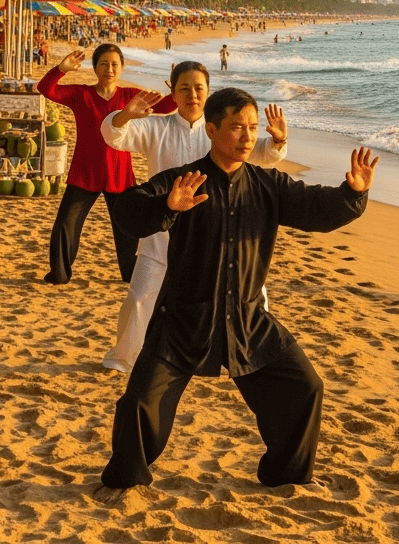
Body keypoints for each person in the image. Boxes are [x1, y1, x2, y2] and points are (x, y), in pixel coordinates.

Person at [99, 87, 377, 492]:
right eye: (236, 128)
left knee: (305, 388)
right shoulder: (185, 180)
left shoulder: (269, 185)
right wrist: (167, 209)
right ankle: (125, 480)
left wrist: (352, 194)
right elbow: (128, 211)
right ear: (211, 130)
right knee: (140, 404)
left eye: (252, 127)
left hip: (247, 317)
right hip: (182, 320)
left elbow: (316, 208)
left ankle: (287, 476)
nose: (248, 137)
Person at [99, 62, 288, 372]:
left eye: (199, 87)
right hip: (163, 230)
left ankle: (252, 360)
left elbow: (262, 152)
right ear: (172, 91)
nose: (192, 94)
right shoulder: (156, 128)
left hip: (216, 231)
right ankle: (121, 359)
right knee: (139, 299)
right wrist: (127, 115)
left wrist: (278, 140)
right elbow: (114, 135)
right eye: (184, 88)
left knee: (247, 297)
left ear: (208, 91)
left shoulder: (219, 130)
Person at [36, 45, 175, 285]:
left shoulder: (130, 96)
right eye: (103, 64)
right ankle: (59, 274)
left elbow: (164, 107)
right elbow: (46, 89)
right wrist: (62, 69)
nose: (109, 69)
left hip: (119, 175)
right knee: (65, 226)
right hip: (84, 172)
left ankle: (131, 275)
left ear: (121, 68)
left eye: (114, 64)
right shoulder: (82, 94)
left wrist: (177, 87)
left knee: (128, 229)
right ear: (96, 67)